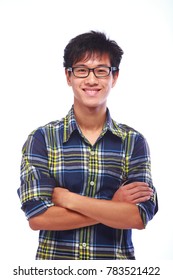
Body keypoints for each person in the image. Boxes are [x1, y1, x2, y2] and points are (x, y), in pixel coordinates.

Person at [18, 31, 158, 260]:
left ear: (115, 77)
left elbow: (138, 217)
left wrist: (68, 199)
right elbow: (38, 218)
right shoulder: (42, 139)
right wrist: (112, 206)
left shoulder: (134, 142)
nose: (91, 80)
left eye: (101, 71)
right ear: (68, 76)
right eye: (82, 70)